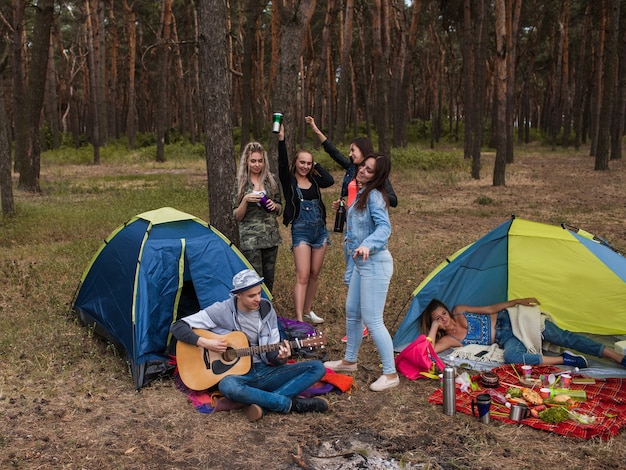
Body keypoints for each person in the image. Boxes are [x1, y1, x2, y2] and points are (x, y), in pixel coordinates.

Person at [170, 269, 330, 422]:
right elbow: (178, 327)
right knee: (228, 386)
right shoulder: (221, 310)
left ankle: (261, 403)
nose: (258, 299)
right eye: (251, 296)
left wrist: (281, 357)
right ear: (238, 295)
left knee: (317, 368)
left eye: (259, 293)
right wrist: (206, 342)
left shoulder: (267, 311)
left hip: (265, 371)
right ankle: (289, 404)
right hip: (237, 376)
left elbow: (272, 355)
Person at [305, 116, 398, 341]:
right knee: (350, 277)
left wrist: (371, 196)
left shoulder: (373, 178)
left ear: (364, 153)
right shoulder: (351, 169)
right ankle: (358, 326)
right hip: (350, 232)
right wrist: (316, 130)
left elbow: (392, 200)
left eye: (353, 150)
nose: (350, 154)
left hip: (367, 237)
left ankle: (365, 324)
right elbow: (332, 151)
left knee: (359, 278)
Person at [324, 153, 400, 392]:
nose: (363, 171)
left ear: (377, 176)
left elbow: (384, 227)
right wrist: (345, 210)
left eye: (369, 170)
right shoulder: (362, 193)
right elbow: (359, 224)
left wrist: (369, 244)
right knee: (353, 312)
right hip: (360, 264)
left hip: (375, 263)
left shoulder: (375, 196)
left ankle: (390, 373)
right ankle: (349, 360)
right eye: (363, 166)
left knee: (373, 319)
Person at [419, 297, 626, 368]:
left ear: (448, 309)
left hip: (513, 319)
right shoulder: (449, 339)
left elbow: (491, 309)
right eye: (439, 318)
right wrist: (435, 328)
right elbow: (428, 351)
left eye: (443, 313)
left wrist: (516, 302)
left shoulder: (459, 309)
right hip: (508, 338)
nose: (444, 318)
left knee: (564, 337)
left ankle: (616, 356)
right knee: (512, 357)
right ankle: (565, 359)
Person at [277, 123, 334, 324]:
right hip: (301, 231)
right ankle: (300, 319)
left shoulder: (315, 181)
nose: (305, 166)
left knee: (314, 274)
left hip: (320, 232)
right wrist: (281, 140)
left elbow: (330, 180)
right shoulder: (289, 181)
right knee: (302, 275)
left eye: (308, 163)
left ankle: (309, 310)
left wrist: (317, 165)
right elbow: (283, 164)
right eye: (302, 162)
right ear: (296, 163)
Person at [232, 142, 282, 293]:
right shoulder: (240, 183)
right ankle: (254, 311)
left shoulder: (271, 180)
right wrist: (246, 200)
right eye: (253, 161)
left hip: (270, 238)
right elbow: (237, 216)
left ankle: (266, 308)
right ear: (246, 161)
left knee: (269, 279)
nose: (257, 164)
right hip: (250, 239)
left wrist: (275, 205)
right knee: (254, 280)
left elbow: (280, 207)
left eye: (260, 161)